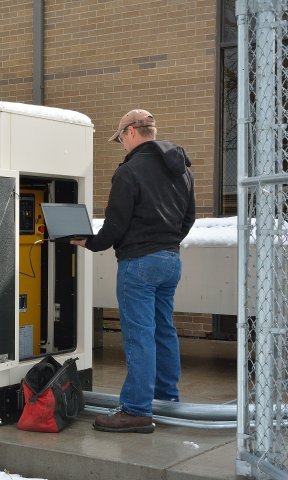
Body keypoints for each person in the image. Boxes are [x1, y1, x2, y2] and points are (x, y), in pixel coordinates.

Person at [71, 109, 195, 433]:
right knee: (163, 330)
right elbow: (189, 218)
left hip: (139, 264)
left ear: (129, 133)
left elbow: (116, 223)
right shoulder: (181, 168)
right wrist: (167, 242)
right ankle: (167, 399)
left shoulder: (129, 171)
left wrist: (92, 243)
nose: (121, 146)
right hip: (170, 261)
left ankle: (137, 410)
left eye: (120, 140)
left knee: (140, 336)